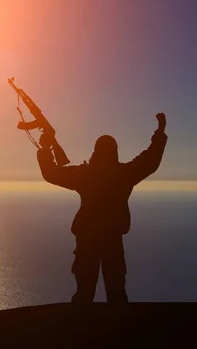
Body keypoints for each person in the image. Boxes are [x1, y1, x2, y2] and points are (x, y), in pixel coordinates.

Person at [36, 113, 168, 304]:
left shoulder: (86, 175)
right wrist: (160, 132)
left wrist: (46, 148)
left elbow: (51, 173)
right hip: (111, 239)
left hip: (88, 239)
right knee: (115, 293)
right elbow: (151, 160)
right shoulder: (124, 174)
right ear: (115, 152)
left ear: (95, 151)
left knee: (85, 294)